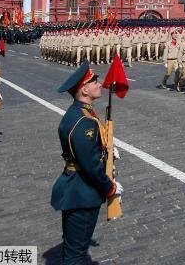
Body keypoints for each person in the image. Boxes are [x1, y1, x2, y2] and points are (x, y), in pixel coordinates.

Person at [51, 62, 122, 265]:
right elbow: (90, 165)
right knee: (76, 255)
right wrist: (110, 187)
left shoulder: (79, 113)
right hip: (82, 193)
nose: (99, 84)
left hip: (76, 187)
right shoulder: (84, 122)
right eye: (94, 81)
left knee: (73, 249)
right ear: (84, 89)